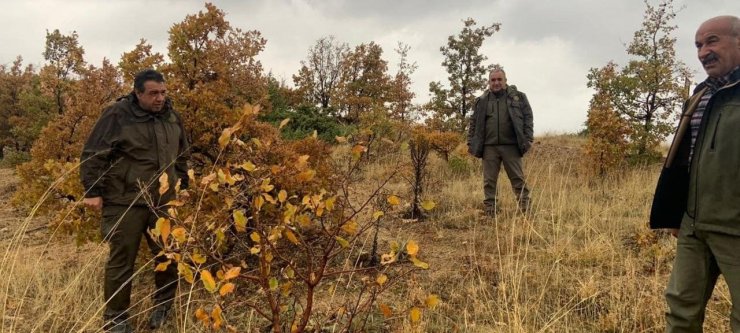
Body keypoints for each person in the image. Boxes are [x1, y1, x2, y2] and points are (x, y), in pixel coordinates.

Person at [80, 69, 190, 333]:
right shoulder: (117, 115)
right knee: (121, 260)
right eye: (153, 93)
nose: (160, 98)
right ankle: (116, 320)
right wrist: (93, 191)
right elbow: (93, 153)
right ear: (138, 93)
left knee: (167, 256)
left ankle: (162, 310)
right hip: (124, 201)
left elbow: (183, 154)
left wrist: (183, 185)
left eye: (163, 92)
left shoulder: (172, 117)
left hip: (163, 202)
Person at [649, 15, 740, 332]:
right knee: (681, 312)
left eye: (712, 41)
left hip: (736, 228)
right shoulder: (700, 95)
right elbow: (683, 157)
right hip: (693, 225)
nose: (703, 52)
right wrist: (676, 215)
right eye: (699, 45)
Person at [467, 67, 534, 217]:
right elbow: (473, 122)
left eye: (499, 79)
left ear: (505, 80)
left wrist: (528, 138)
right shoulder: (481, 101)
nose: (496, 82)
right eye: (493, 80)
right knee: (489, 182)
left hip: (512, 146)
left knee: (518, 180)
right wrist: (471, 142)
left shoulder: (518, 97)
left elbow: (528, 117)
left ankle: (526, 211)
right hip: (489, 147)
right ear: (489, 82)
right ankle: (491, 213)